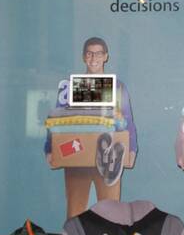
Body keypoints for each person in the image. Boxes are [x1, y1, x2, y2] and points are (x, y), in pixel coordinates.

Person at [46, 36, 138, 220]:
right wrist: (49, 148)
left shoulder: (118, 87)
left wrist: (132, 149)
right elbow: (56, 118)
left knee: (110, 213)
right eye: (89, 54)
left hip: (109, 155)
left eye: (98, 54)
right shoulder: (70, 87)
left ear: (106, 57)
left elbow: (128, 119)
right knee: (75, 213)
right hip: (76, 152)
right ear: (83, 57)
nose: (93, 58)